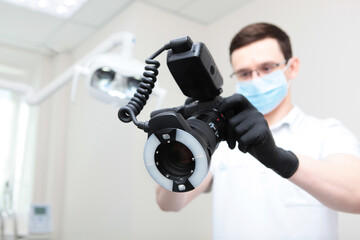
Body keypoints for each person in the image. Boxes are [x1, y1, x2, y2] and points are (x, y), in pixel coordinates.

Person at [155, 22, 360, 239]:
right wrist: (180, 145)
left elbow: (356, 196)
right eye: (244, 73)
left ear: (292, 67)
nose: (256, 79)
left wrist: (279, 158)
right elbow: (168, 203)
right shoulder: (222, 138)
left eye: (267, 68)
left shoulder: (326, 132)